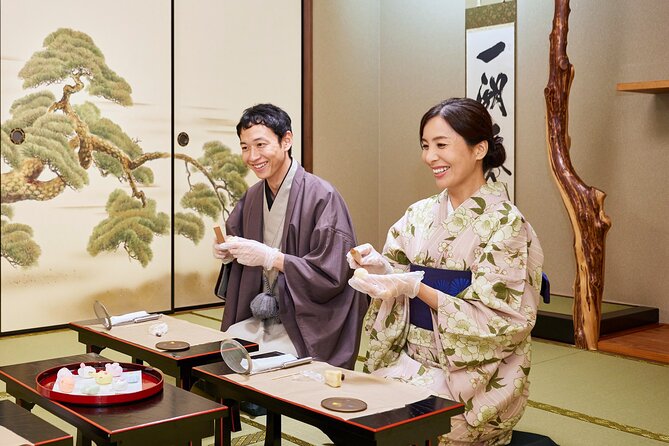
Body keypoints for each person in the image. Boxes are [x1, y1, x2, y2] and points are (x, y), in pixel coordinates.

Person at [348, 98, 544, 445]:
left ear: (479, 148)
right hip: (408, 359)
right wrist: (379, 267)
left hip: (470, 376)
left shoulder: (506, 224)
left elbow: (503, 320)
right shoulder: (420, 213)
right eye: (425, 146)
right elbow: (399, 269)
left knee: (433, 432)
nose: (429, 157)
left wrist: (415, 288)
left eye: (441, 145)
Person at [213, 103, 367, 370]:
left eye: (261, 145)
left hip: (305, 322)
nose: (252, 156)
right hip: (259, 317)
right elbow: (236, 243)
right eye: (245, 147)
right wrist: (227, 254)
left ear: (287, 140)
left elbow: (333, 274)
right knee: (217, 361)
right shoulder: (252, 198)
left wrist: (273, 258)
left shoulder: (322, 196)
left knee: (251, 367)